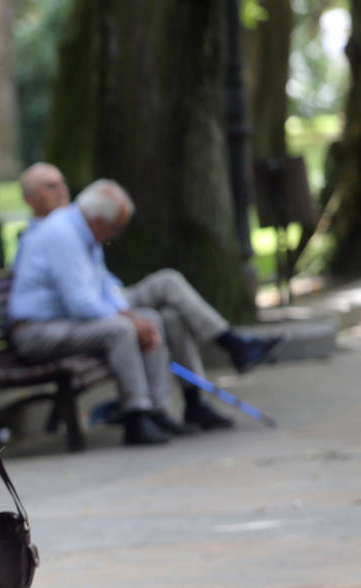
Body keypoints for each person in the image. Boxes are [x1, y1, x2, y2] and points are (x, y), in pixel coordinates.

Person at [15, 164, 283, 433]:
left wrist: (129, 314)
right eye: (50, 186)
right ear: (30, 198)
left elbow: (103, 285)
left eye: (62, 182)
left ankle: (168, 406)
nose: (61, 190)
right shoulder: (59, 232)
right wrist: (129, 318)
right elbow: (80, 302)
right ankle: (140, 412)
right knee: (129, 324)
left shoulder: (74, 225)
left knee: (159, 316)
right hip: (50, 324)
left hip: (80, 314)